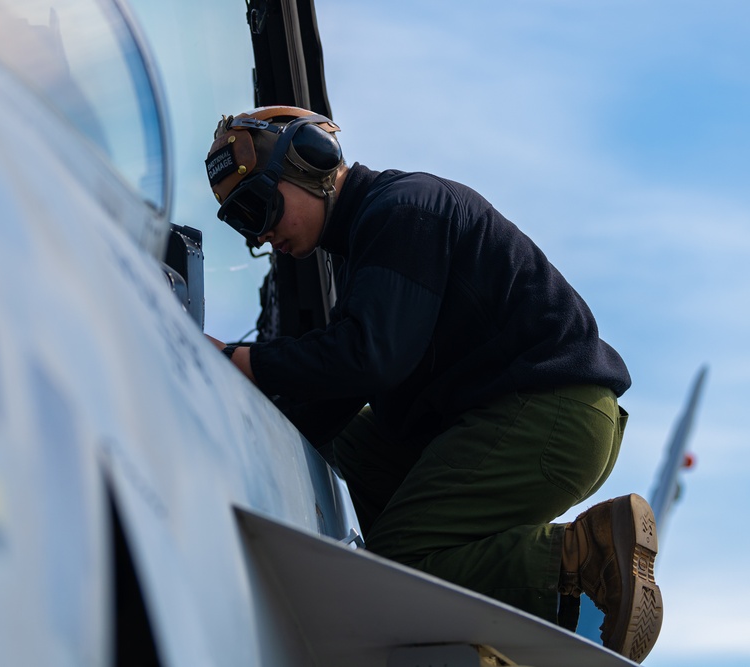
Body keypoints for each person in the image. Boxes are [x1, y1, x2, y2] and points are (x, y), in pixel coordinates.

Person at [204, 106, 663, 662]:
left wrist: (241, 361)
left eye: (259, 206)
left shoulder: (403, 210)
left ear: (310, 162)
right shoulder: (365, 249)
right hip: (511, 415)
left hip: (552, 414)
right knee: (335, 454)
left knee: (398, 566)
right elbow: (340, 395)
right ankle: (460, 634)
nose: (262, 233)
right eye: (242, 223)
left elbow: (370, 357)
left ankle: (579, 562)